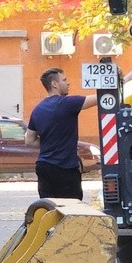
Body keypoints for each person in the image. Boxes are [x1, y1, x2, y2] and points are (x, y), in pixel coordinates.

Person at [26, 67, 98, 200]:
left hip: (44, 167)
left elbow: (29, 140)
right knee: (72, 211)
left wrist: (50, 142)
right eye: (64, 80)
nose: (68, 83)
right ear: (55, 84)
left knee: (49, 210)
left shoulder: (37, 109)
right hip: (65, 168)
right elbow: (100, 98)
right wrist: (124, 81)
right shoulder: (68, 103)